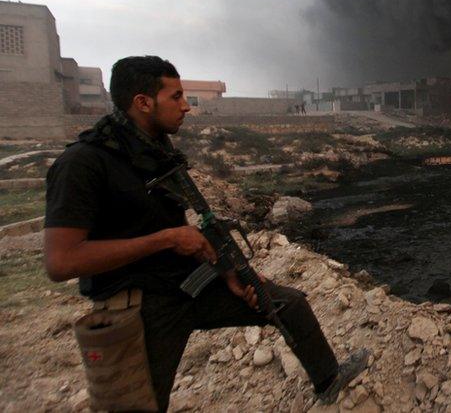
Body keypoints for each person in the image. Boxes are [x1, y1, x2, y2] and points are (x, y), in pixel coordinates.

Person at [43, 56, 367, 411]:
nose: (186, 107)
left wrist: (229, 274)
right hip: (137, 310)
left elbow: (171, 227)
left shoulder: (155, 152)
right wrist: (165, 239)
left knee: (289, 304)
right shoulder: (84, 163)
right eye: (176, 97)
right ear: (142, 102)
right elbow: (61, 262)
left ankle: (329, 380)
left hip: (185, 286)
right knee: (140, 404)